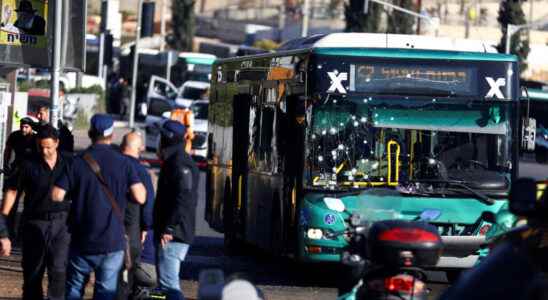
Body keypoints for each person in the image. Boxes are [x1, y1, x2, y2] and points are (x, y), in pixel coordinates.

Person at [51, 114, 147, 300]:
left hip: (82, 239)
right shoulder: (124, 163)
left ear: (89, 133)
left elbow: (56, 195)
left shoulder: (77, 162)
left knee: (74, 288)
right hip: (112, 240)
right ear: (111, 136)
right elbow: (140, 197)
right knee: (106, 292)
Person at [1, 125, 71, 300]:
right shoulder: (27, 164)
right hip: (34, 225)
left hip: (63, 226)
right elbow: (11, 193)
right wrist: (3, 230)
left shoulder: (70, 164)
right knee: (33, 274)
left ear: (57, 143)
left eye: (48, 146)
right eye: (41, 146)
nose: (45, 151)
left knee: (59, 272)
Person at [153, 120, 199, 299]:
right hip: (171, 232)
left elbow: (183, 199)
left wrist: (169, 228)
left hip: (173, 235)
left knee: (169, 287)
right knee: (165, 286)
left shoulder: (180, 163)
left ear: (166, 139)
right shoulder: (174, 160)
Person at [117, 131, 155, 300]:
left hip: (107, 229)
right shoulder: (141, 171)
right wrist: (145, 227)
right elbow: (148, 204)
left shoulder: (110, 165)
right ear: (141, 148)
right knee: (127, 277)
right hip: (131, 232)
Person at [2, 116, 37, 240]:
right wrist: (5, 163)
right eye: (22, 126)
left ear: (31, 128)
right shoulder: (15, 136)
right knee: (11, 203)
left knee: (30, 203)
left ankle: (24, 232)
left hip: (31, 173)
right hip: (16, 171)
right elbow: (7, 149)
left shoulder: (35, 138)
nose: (23, 128)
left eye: (26, 127)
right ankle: (9, 232)